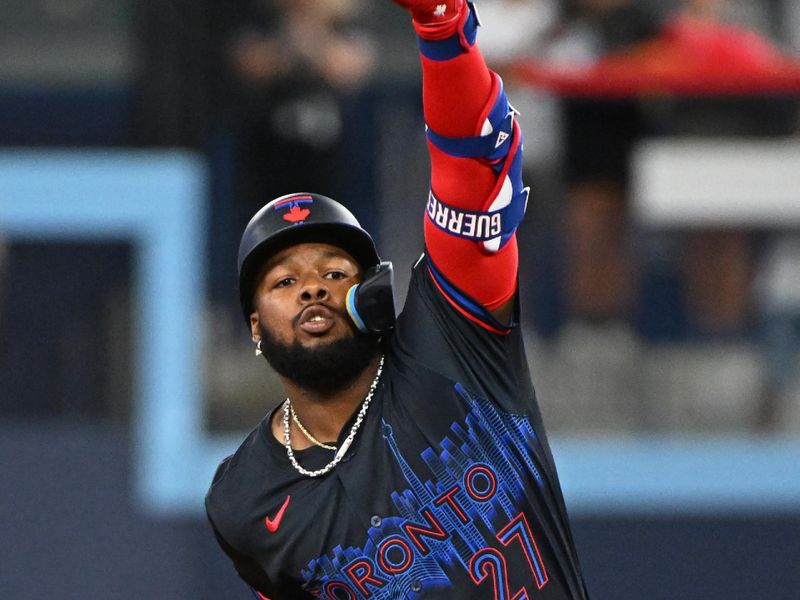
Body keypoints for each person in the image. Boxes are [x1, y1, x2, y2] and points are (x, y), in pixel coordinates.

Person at [205, 1, 590, 598]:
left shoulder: (452, 347)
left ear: (371, 292)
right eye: (283, 280)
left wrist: (442, 26)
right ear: (255, 326)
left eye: (334, 271)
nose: (311, 286)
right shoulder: (243, 499)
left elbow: (475, 171)